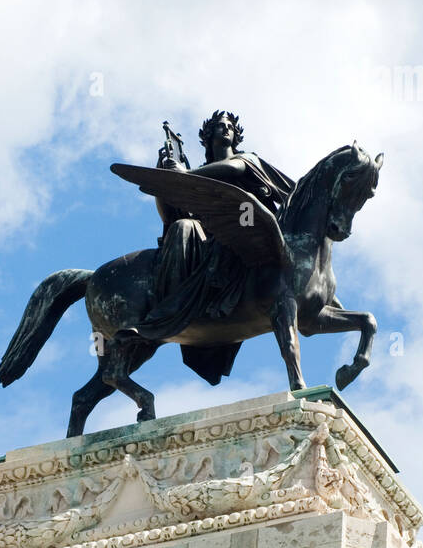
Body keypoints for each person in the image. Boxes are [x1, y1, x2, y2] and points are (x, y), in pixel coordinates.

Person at [118, 111, 295, 384]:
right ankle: (174, 310)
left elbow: (234, 169)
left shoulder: (248, 159)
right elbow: (170, 216)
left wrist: (185, 176)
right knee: (182, 227)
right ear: (208, 135)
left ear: (236, 135)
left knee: (191, 229)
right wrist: (164, 181)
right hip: (204, 241)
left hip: (247, 236)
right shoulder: (195, 182)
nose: (225, 129)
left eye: (229, 127)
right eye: (218, 126)